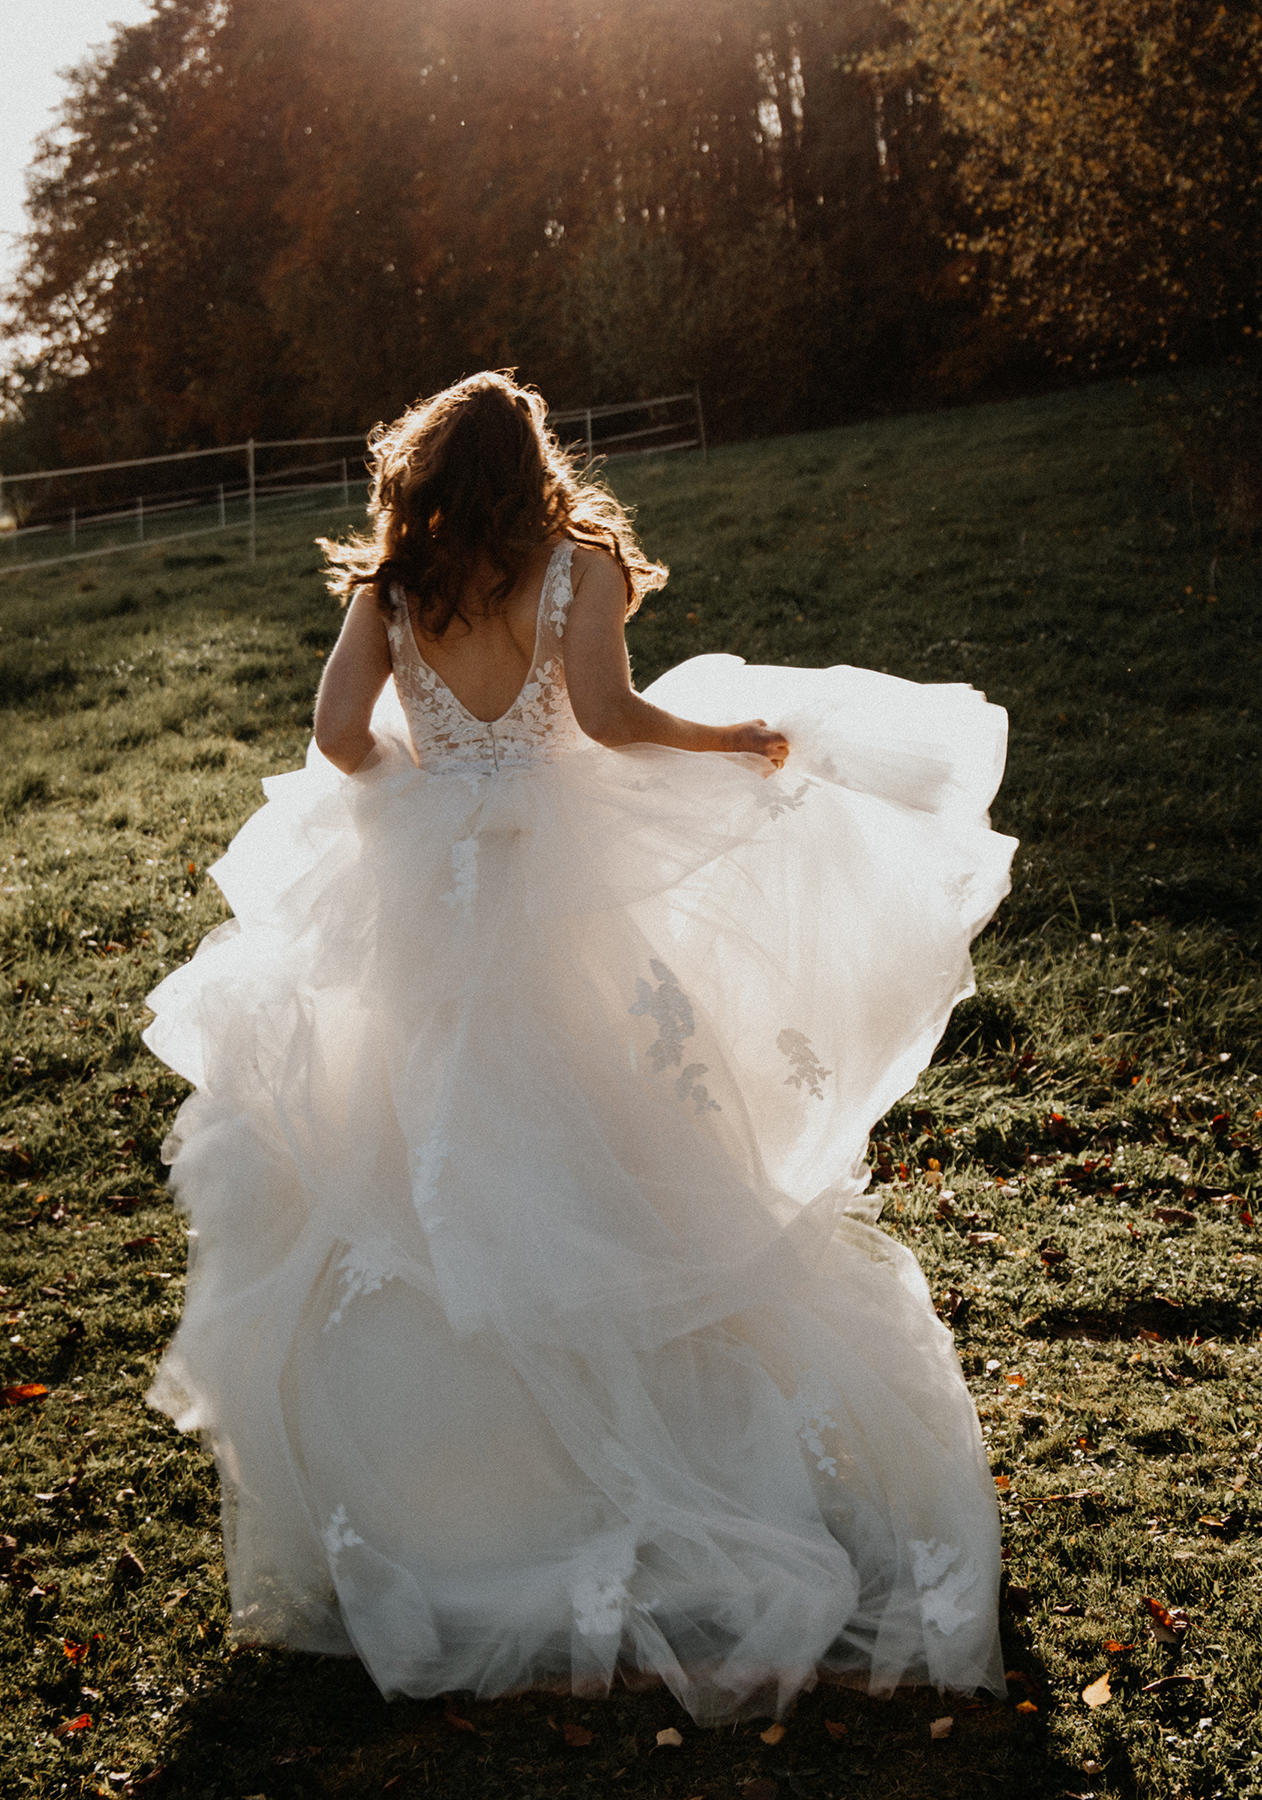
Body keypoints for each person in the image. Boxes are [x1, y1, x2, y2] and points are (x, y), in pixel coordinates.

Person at [142, 370, 1016, 1725]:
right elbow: (607, 721)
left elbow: (331, 738)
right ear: (535, 462)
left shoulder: (394, 587)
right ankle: (667, 1438)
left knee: (425, 1138)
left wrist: (424, 792)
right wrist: (724, 740)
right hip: (563, 872)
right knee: (611, 1128)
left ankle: (460, 1501)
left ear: (424, 475)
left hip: (432, 889)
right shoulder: (577, 568)